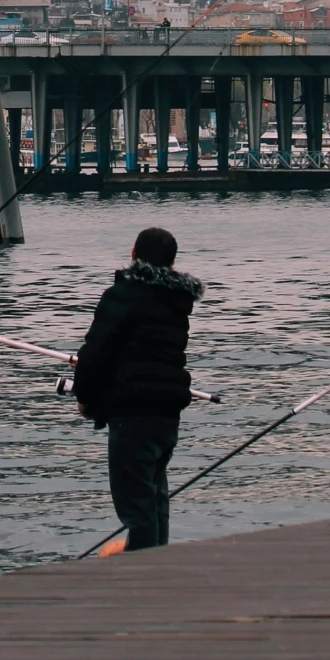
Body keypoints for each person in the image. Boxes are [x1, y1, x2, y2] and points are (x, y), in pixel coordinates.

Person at [73, 224, 203, 552]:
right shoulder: (178, 302)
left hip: (132, 414)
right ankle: (157, 565)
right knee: (155, 497)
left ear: (133, 255)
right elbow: (144, 351)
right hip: (167, 413)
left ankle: (143, 579)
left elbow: (95, 352)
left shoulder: (124, 294)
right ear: (172, 263)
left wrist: (85, 398)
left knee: (136, 505)